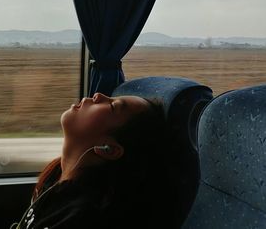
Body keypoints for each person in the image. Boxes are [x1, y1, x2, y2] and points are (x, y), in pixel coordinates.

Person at [11, 92, 171, 229]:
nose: (97, 95)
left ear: (109, 148)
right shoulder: (55, 179)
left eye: (113, 106)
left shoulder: (82, 216)